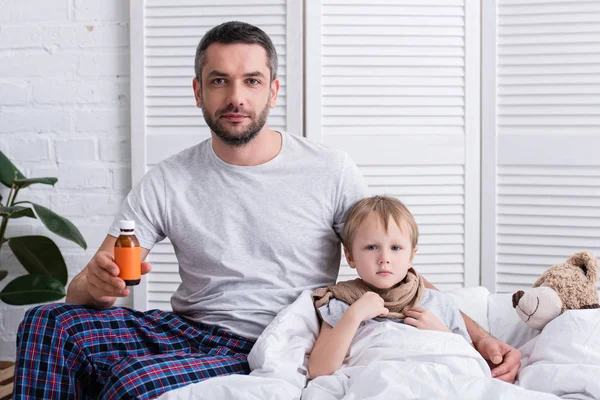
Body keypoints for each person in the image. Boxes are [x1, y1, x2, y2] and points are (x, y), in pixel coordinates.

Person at [13, 21, 520, 400]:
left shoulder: (330, 170)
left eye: (252, 81)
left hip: (270, 340)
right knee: (45, 324)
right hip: (185, 328)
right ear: (198, 91)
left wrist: (482, 337)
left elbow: (391, 266)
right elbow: (85, 287)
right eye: (219, 81)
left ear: (273, 90)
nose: (236, 97)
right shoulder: (167, 179)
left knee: (132, 382)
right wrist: (93, 286)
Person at [308, 196, 472, 378]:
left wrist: (443, 334)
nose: (384, 258)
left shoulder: (440, 303)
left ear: (411, 256)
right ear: (350, 257)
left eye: (395, 248)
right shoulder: (343, 303)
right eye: (371, 247)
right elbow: (318, 370)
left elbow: (471, 363)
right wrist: (354, 316)